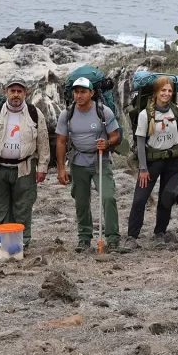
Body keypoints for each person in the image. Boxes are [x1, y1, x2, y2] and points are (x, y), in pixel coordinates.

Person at [0, 76, 50, 258]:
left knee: (23, 207)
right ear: (6, 91)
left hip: (25, 168)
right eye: (12, 91)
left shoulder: (35, 114)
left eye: (19, 91)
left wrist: (43, 167)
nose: (16, 95)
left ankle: (19, 246)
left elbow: (43, 142)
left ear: (25, 93)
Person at [55, 77, 128, 253]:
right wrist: (61, 168)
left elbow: (116, 136)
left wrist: (108, 143)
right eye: (76, 92)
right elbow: (61, 141)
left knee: (108, 197)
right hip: (78, 162)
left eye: (83, 92)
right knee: (81, 201)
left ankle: (112, 239)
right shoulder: (67, 114)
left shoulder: (104, 112)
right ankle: (84, 239)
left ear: (92, 93)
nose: (79, 96)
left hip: (100, 161)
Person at [127, 76, 178, 248]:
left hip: (172, 162)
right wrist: (142, 168)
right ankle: (132, 237)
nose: (167, 93)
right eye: (163, 90)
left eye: (170, 90)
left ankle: (160, 234)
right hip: (151, 162)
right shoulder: (145, 114)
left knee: (166, 199)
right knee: (140, 199)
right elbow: (140, 142)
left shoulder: (176, 111)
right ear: (156, 92)